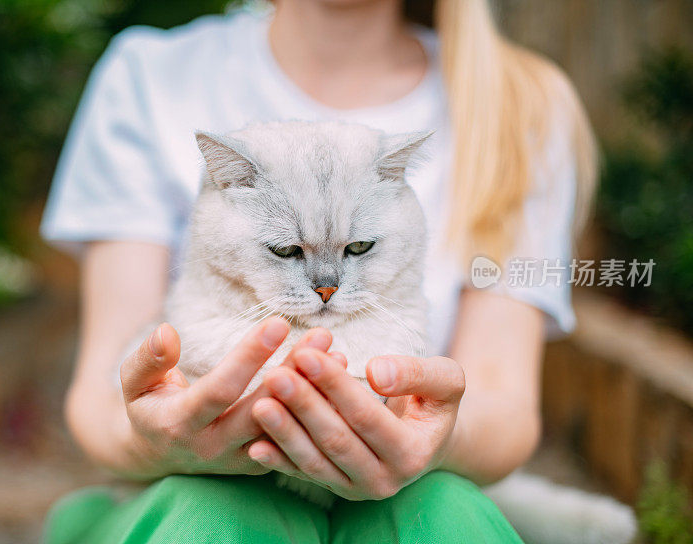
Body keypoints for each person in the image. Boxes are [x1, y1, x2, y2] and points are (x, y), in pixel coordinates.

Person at [40, 0, 596, 542]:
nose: (327, 287)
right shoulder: (149, 75)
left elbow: (503, 398)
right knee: (211, 515)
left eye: (358, 249)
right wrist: (155, 441)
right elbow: (102, 392)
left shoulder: (522, 103)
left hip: (411, 494)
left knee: (439, 514)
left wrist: (431, 441)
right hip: (193, 494)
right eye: (287, 252)